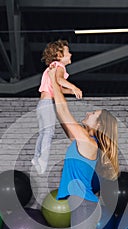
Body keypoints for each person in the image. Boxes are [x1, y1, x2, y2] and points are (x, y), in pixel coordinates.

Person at [48, 65, 119, 229]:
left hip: (85, 207)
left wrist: (55, 81)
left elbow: (64, 111)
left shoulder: (88, 143)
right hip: (83, 205)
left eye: (93, 114)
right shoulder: (82, 138)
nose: (88, 113)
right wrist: (56, 84)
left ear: (98, 125)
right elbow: (64, 116)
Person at [31, 39, 82, 175]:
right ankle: (42, 162)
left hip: (42, 104)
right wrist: (74, 86)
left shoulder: (51, 67)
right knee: (48, 133)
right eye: (68, 52)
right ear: (59, 56)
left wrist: (71, 91)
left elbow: (57, 89)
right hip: (47, 104)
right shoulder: (59, 66)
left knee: (43, 132)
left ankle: (36, 158)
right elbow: (60, 80)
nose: (70, 54)